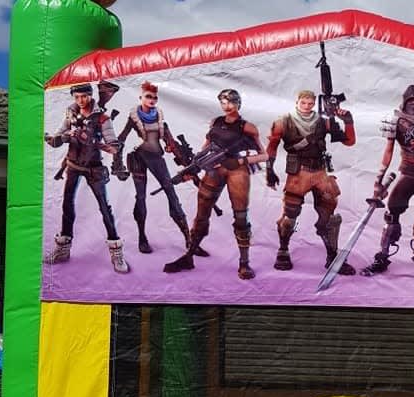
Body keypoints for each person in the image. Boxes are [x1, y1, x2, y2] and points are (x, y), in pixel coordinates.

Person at [163, 88, 267, 278]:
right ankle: (189, 255)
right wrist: (193, 167)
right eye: (223, 102)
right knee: (201, 213)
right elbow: (206, 149)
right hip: (215, 169)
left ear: (238, 103)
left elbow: (264, 155)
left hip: (237, 170)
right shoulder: (216, 122)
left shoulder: (247, 127)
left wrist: (240, 161)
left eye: (231, 102)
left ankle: (244, 263)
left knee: (241, 217)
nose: (227, 106)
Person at [265, 89, 356, 275]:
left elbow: (349, 141)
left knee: (329, 217)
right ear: (297, 102)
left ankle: (332, 256)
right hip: (298, 172)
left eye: (310, 103)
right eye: (303, 102)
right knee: (290, 216)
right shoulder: (283, 121)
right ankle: (283, 250)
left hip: (320, 172)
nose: (307, 106)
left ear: (315, 103)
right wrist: (269, 170)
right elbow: (272, 147)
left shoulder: (323, 120)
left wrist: (348, 121)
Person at [361, 84, 414, 276]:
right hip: (407, 171)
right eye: (411, 99)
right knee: (392, 214)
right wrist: (379, 179)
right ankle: (382, 257)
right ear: (405, 100)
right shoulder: (395, 121)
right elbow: (388, 151)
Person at [44, 82, 129, 273]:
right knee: (67, 204)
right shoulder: (71, 114)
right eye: (77, 97)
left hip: (93, 168)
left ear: (91, 95)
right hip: (73, 165)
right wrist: (66, 135)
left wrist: (94, 142)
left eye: (84, 96)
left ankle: (116, 250)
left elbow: (114, 147)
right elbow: (56, 140)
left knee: (104, 208)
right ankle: (63, 249)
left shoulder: (102, 117)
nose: (81, 100)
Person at [116, 81, 191, 256]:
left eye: (155, 97)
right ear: (141, 97)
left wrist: (181, 158)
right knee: (141, 197)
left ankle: (189, 238)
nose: (152, 100)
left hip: (156, 157)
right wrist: (117, 162)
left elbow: (170, 141)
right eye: (148, 96)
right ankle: (142, 237)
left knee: (172, 194)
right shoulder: (134, 118)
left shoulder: (159, 118)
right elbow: (121, 139)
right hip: (138, 158)